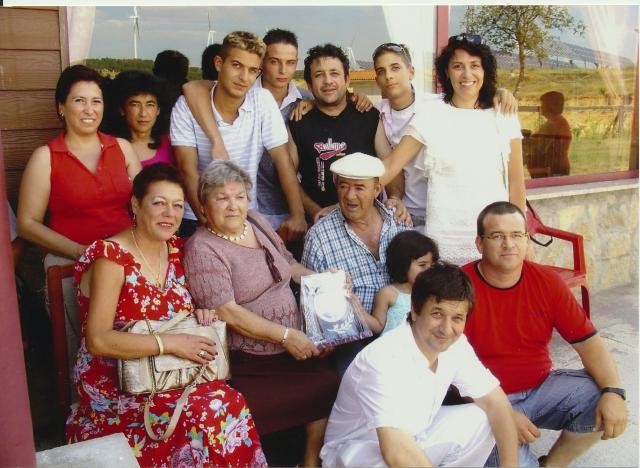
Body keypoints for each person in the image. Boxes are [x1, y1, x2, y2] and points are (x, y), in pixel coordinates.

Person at [66, 163, 266, 467]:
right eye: (159, 203)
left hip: (171, 373)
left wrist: (198, 312)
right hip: (118, 384)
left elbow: (174, 313)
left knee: (227, 401)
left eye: (177, 206)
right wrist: (170, 343)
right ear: (136, 204)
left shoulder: (175, 250)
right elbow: (98, 340)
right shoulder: (111, 258)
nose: (169, 214)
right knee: (208, 413)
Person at [182, 161, 338, 466]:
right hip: (252, 359)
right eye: (222, 198)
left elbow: (289, 264)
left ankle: (310, 461)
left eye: (239, 196)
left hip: (294, 344)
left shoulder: (256, 221)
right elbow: (227, 311)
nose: (233, 205)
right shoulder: (202, 248)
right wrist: (285, 336)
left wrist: (325, 280)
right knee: (265, 406)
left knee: (330, 383)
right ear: (203, 205)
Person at [463, 201, 628, 466]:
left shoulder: (547, 282)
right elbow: (442, 371)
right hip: (484, 402)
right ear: (480, 243)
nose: (509, 244)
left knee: (599, 395)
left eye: (517, 235)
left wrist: (614, 391)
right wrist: (501, 413)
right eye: (497, 236)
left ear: (527, 240)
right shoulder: (459, 288)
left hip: (540, 389)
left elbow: (588, 342)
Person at [321, 263, 518, 467]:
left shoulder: (456, 345)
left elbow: (497, 404)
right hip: (358, 453)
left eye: (457, 318)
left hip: (412, 437)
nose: (446, 329)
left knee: (483, 418)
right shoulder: (382, 358)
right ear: (415, 311)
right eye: (437, 314)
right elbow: (396, 452)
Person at [17, 64, 141, 372]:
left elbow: (144, 204)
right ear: (61, 107)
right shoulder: (46, 157)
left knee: (132, 350)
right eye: (79, 100)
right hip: (69, 264)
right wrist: (81, 252)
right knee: (81, 355)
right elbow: (27, 224)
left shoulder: (122, 148)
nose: (89, 109)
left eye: (96, 101)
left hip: (124, 260)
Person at [379, 34, 526, 266]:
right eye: (458, 66)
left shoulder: (504, 115)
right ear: (446, 72)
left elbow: (516, 182)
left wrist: (520, 236)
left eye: (475, 65)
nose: (467, 75)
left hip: (495, 239)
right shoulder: (432, 114)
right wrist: (352, 196)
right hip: (445, 241)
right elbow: (391, 165)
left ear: (485, 70)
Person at [170, 31, 306, 239]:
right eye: (236, 65)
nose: (244, 77)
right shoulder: (186, 107)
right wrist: (207, 222)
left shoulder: (262, 100)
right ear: (219, 63)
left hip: (245, 213)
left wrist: (297, 215)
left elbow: (282, 160)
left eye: (252, 70)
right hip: (197, 215)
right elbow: (187, 170)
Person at [302, 152, 406, 375]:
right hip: (352, 340)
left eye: (359, 188)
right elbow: (310, 306)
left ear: (377, 189)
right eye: (343, 186)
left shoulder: (398, 222)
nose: (350, 196)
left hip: (403, 330)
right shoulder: (319, 237)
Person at [288, 43, 407, 223]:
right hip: (317, 220)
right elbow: (289, 178)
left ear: (347, 79)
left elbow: (390, 165)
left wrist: (395, 197)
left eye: (334, 73)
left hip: (366, 221)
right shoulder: (298, 121)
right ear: (310, 86)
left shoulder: (368, 116)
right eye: (319, 75)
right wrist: (316, 213)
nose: (328, 81)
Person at [359, 230, 439, 335]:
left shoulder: (430, 294)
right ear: (403, 264)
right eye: (422, 265)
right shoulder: (388, 293)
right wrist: (358, 309)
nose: (428, 270)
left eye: (432, 266)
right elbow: (378, 327)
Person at [110, 70, 175, 167]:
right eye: (135, 104)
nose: (143, 113)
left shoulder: (171, 144)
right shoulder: (111, 146)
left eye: (150, 105)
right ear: (122, 109)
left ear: (158, 110)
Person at [526, 91, 572, 177]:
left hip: (550, 170)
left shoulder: (552, 125)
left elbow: (540, 149)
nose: (541, 107)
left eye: (543, 104)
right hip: (555, 168)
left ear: (550, 106)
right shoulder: (558, 121)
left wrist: (525, 143)